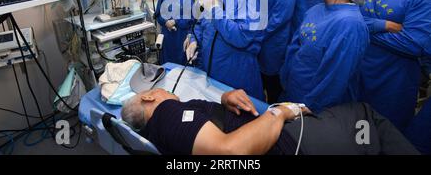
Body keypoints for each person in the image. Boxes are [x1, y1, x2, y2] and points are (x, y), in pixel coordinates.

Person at [121, 88, 419, 155]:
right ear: (149, 98)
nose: (167, 91)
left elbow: (203, 129)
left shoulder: (169, 123)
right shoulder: (168, 114)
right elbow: (230, 152)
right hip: (288, 143)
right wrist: (282, 111)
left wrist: (223, 100)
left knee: (367, 138)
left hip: (283, 140)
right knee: (363, 115)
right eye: (158, 89)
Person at [359, 0, 431, 132]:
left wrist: (364, 27)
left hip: (395, 83)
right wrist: (385, 25)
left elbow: (414, 44)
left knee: (389, 139)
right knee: (357, 136)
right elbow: (346, 25)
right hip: (358, 77)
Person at [279, 0, 369, 113]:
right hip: (294, 90)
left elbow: (335, 79)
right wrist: (286, 79)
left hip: (316, 105)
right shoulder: (316, 9)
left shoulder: (349, 23)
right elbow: (296, 46)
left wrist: (308, 107)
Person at [185, 0, 265, 100]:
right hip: (211, 70)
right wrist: (194, 41)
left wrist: (215, 9)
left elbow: (241, 37)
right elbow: (201, 25)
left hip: (235, 75)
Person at [246, 0, 297, 103]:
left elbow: (283, 12)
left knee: (274, 87)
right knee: (259, 83)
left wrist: (262, 33)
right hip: (258, 39)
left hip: (274, 41)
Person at [154, 0, 194, 65]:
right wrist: (165, 22)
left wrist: (176, 21)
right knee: (167, 61)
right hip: (167, 36)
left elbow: (192, 18)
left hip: (182, 35)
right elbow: (158, 14)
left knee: (182, 60)